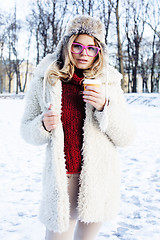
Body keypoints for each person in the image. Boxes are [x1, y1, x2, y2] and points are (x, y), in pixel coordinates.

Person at [21, 15, 135, 240]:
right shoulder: (47, 79)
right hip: (63, 179)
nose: (84, 53)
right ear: (67, 45)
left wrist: (104, 107)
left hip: (98, 179)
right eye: (78, 46)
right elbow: (26, 129)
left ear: (99, 52)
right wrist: (43, 125)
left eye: (92, 48)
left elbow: (127, 136)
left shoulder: (108, 82)